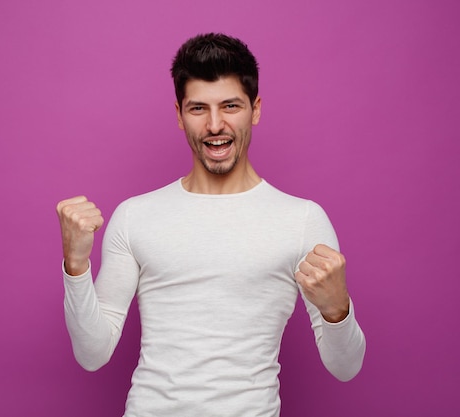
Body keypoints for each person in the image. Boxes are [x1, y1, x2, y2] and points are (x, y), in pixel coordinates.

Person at [56, 33, 365, 416]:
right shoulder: (136, 215)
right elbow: (92, 353)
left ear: (255, 109)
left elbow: (346, 366)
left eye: (230, 106)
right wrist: (76, 265)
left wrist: (338, 308)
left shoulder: (301, 220)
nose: (214, 125)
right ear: (179, 114)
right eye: (198, 108)